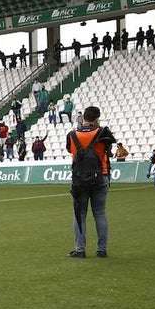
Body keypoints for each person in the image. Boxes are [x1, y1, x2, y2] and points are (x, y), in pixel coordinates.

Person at [66, 106, 117, 258]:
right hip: (100, 176)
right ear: (97, 118)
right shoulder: (102, 133)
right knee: (100, 213)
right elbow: (108, 148)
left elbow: (70, 150)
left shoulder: (72, 135)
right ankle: (102, 249)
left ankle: (80, 249)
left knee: (79, 215)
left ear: (83, 118)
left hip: (79, 178)